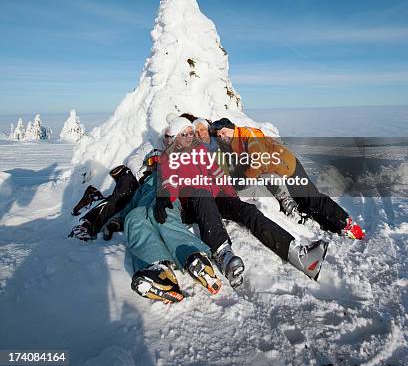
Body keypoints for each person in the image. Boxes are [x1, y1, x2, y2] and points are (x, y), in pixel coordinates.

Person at [159, 117, 329, 284]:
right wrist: (167, 197)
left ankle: (299, 255)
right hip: (193, 203)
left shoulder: (200, 151)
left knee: (248, 211)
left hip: (216, 196)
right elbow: (168, 182)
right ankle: (223, 254)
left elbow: (218, 173)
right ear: (175, 138)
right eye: (185, 134)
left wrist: (233, 197)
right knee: (201, 192)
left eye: (191, 133)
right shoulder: (168, 158)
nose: (190, 137)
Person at [69, 147, 222, 304]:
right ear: (147, 165)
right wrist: (118, 222)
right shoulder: (141, 187)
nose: (155, 164)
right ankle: (159, 271)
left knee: (164, 219)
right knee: (133, 218)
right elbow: (129, 207)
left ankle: (195, 258)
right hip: (142, 208)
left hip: (164, 200)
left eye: (159, 160)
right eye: (151, 161)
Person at [210, 118, 365, 239]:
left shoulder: (248, 135)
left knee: (311, 198)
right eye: (219, 135)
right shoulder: (233, 142)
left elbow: (259, 161)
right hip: (277, 171)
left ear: (231, 127)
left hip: (287, 167)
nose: (222, 136)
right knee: (302, 201)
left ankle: (347, 223)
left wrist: (245, 178)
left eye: (223, 132)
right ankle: (330, 225)